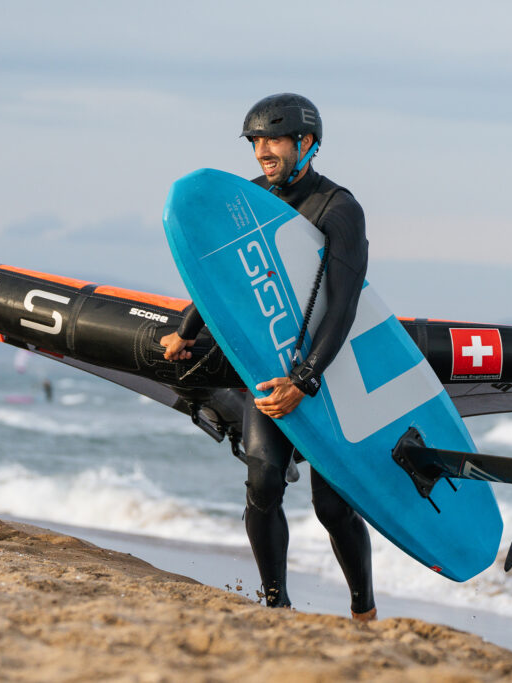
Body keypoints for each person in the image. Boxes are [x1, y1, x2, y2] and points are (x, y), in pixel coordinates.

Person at [160, 93, 376, 621]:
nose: (262, 151)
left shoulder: (339, 209)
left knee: (332, 506)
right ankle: (275, 605)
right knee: (263, 481)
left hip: (330, 372)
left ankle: (363, 611)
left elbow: (343, 307)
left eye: (272, 139)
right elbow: (226, 280)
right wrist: (187, 329)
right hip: (268, 367)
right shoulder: (250, 198)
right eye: (256, 141)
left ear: (306, 143)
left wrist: (305, 379)